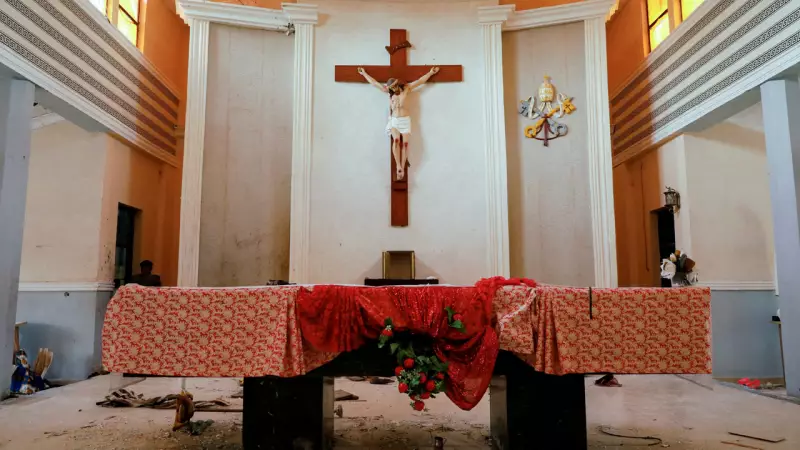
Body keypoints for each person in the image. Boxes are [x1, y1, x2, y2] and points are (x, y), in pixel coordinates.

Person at [357, 66, 439, 180]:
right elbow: (375, 83)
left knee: (405, 144)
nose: (393, 88)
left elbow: (420, 81)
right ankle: (398, 165)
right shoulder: (389, 93)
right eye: (391, 87)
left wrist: (430, 73)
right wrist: (364, 74)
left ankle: (403, 165)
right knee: (396, 140)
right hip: (394, 120)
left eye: (394, 86)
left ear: (397, 84)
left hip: (405, 120)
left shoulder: (406, 89)